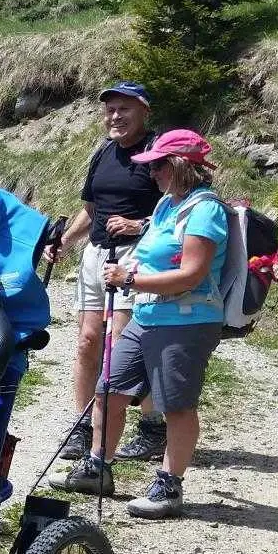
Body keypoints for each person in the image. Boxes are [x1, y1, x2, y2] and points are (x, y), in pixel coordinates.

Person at [49, 129, 227, 519]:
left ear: (181, 166)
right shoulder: (166, 206)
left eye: (159, 165)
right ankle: (98, 467)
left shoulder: (206, 210)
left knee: (176, 405)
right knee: (109, 387)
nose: (152, 173)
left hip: (188, 322)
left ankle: (169, 485)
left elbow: (192, 275)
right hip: (147, 315)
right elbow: (152, 255)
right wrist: (129, 269)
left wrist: (129, 280)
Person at [44, 81, 168, 463]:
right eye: (110, 110)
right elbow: (91, 209)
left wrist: (139, 224)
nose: (115, 116)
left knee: (125, 343)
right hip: (97, 253)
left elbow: (175, 211)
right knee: (87, 341)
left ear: (144, 111)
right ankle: (82, 425)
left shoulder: (157, 152)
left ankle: (152, 427)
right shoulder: (104, 152)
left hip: (138, 255)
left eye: (124, 109)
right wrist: (63, 240)